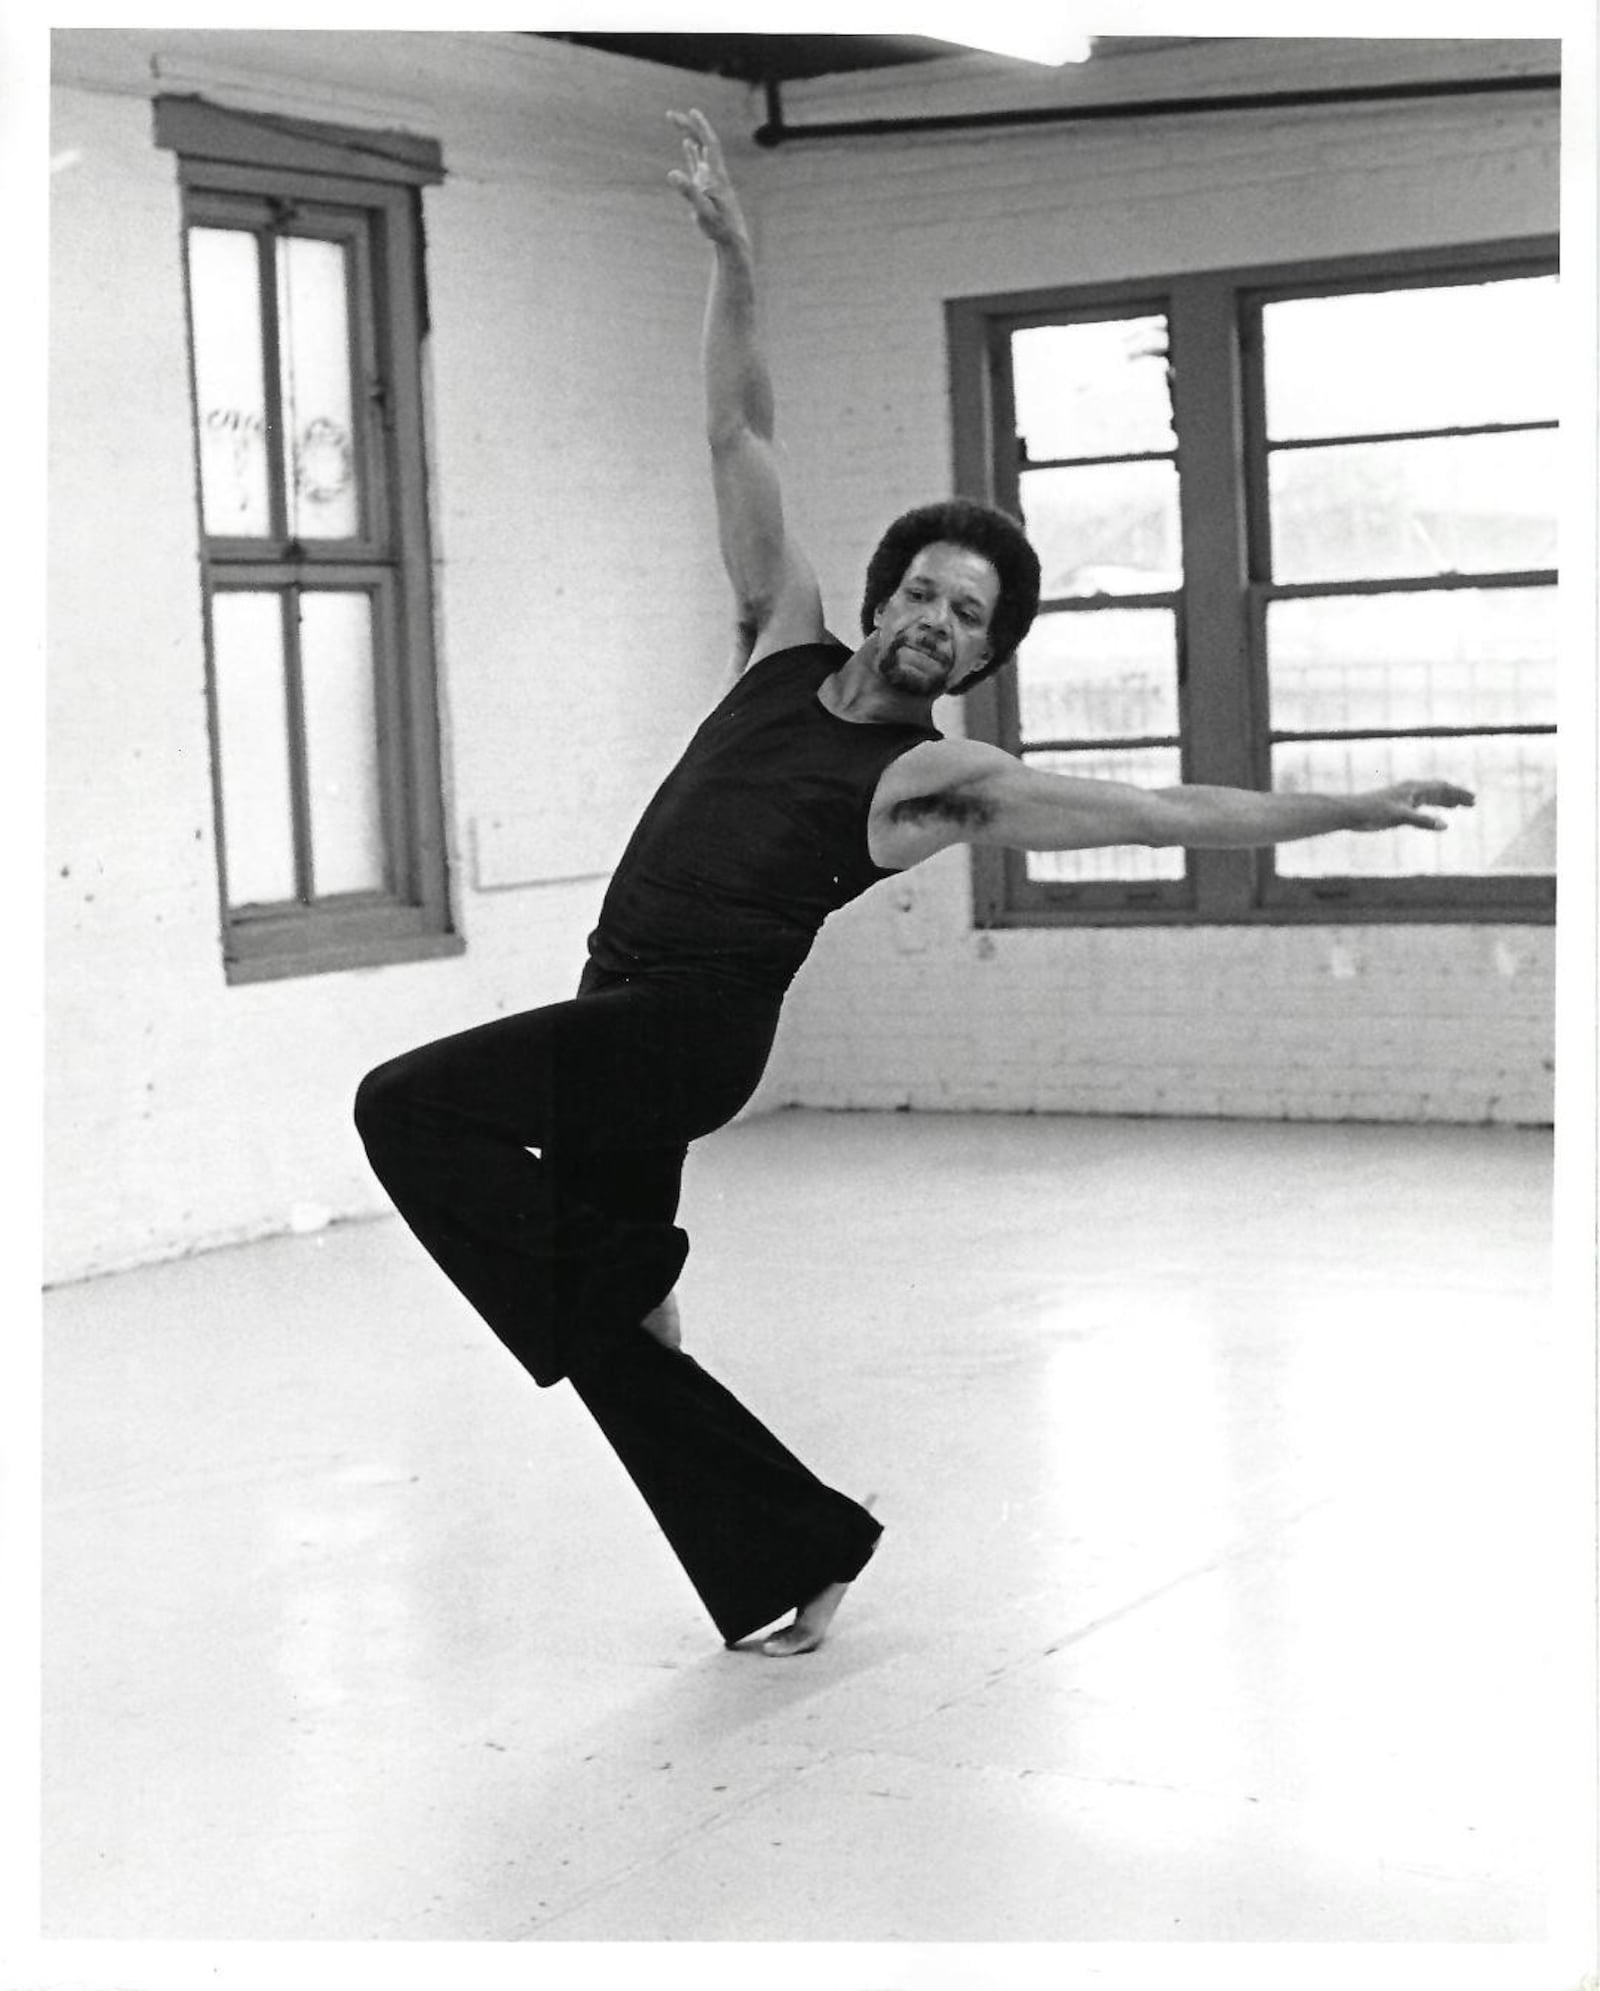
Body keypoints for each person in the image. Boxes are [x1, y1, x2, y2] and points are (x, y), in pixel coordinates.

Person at [354, 110, 1473, 1660]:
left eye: (974, 620)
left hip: (684, 1036)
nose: (939, 622)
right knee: (620, 1346)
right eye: (930, 593)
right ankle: (787, 1557)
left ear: (985, 658)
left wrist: (1346, 806)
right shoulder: (781, 634)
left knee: (402, 1107)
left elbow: (1163, 800)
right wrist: (732, 259)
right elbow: (736, 432)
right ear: (883, 595)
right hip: (617, 1000)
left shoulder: (933, 782)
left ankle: (627, 1278)